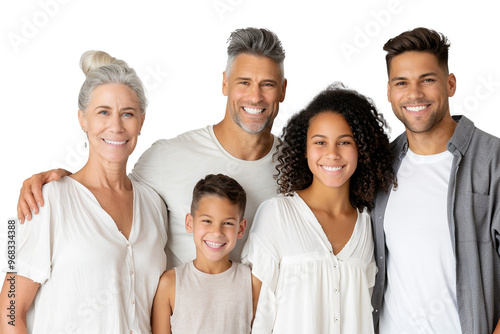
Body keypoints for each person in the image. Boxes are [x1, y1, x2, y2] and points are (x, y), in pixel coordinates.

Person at [16, 27, 287, 268]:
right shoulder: (166, 158)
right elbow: (106, 190)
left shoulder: (300, 166)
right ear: (225, 83)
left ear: (283, 91)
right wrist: (62, 182)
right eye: (244, 82)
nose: (255, 96)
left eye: (268, 85)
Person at [0, 51, 167, 333]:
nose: (115, 126)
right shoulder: (46, 200)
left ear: (141, 121)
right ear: (82, 119)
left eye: (127, 114)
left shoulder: (154, 205)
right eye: (103, 112)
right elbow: (10, 309)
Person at [371, 27, 500, 334]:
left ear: (450, 84)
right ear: (389, 91)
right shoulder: (380, 166)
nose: (414, 94)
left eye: (427, 80)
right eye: (402, 82)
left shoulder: (492, 160)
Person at [242, 83, 395, 333]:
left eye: (344, 142)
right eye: (320, 142)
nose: (332, 154)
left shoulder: (368, 224)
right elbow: (255, 312)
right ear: (304, 149)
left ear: (361, 150)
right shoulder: (277, 215)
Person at [152, 174, 257, 333]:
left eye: (227, 223)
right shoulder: (169, 283)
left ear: (241, 229)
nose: (217, 232)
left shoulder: (252, 282)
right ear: (190, 223)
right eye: (207, 221)